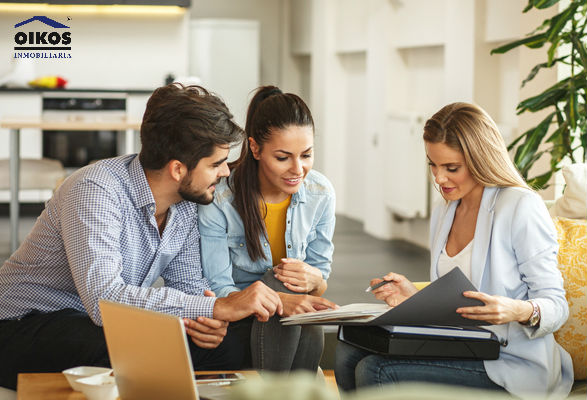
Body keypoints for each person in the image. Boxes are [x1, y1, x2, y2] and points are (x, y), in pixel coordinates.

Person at [0, 84, 283, 390]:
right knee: (123, 347)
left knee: (226, 346)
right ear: (177, 169)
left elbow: (189, 288)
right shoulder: (95, 190)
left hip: (99, 324)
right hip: (22, 325)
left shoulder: (186, 204)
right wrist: (216, 308)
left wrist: (205, 323)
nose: (226, 172)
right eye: (215, 164)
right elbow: (103, 300)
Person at [335, 102, 573, 398]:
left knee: (376, 370)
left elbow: (557, 306)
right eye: (432, 164)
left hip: (510, 362)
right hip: (462, 347)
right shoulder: (445, 211)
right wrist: (415, 296)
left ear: (480, 159)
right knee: (347, 352)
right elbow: (458, 298)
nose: (438, 178)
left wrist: (518, 310)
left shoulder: (520, 207)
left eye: (451, 168)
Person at [198, 85, 337, 372]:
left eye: (307, 155)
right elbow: (218, 287)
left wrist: (314, 280)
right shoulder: (221, 199)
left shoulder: (321, 193)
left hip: (291, 318)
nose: (298, 169)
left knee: (298, 300)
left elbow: (319, 281)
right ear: (255, 148)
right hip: (240, 315)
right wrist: (279, 299)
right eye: (283, 158)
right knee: (277, 282)